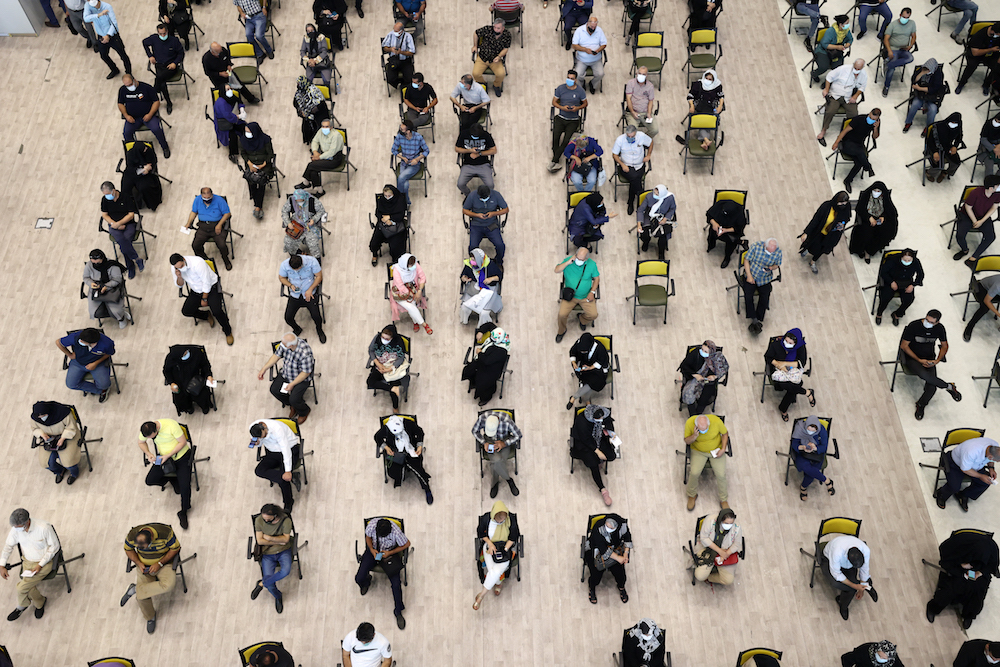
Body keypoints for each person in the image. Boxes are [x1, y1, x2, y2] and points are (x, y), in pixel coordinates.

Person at [926, 529, 1000, 628]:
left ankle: (969, 614)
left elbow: (990, 567)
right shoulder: (960, 544)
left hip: (978, 570)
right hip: (956, 566)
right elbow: (946, 561)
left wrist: (979, 573)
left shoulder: (991, 549)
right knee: (953, 587)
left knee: (979, 591)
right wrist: (962, 570)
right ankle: (934, 608)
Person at [901, 309, 962, 420]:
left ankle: (921, 404)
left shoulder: (940, 329)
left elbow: (944, 345)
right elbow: (904, 346)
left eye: (931, 322)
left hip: (929, 358)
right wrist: (919, 360)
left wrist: (937, 360)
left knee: (932, 388)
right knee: (924, 375)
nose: (927, 323)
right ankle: (948, 386)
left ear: (937, 322)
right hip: (913, 358)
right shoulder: (914, 326)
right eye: (927, 320)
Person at [0, 509, 59, 622]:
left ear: (26, 522)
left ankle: (22, 605)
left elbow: (54, 547)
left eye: (18, 526)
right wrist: (1, 565)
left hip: (44, 562)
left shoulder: (44, 528)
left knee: (21, 587)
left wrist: (40, 565)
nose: (16, 529)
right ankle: (40, 603)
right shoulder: (16, 529)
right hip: (27, 561)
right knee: (28, 586)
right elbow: (8, 546)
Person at [120, 523, 180, 633]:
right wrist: (138, 562)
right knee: (142, 597)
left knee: (168, 585)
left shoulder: (165, 533)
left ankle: (135, 589)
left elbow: (176, 548)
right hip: (143, 565)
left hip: (163, 564)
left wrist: (160, 563)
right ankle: (150, 617)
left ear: (151, 538)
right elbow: (128, 549)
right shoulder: (132, 535)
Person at [355, 518, 411, 630]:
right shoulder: (371, 526)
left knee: (396, 585)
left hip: (390, 554)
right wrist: (371, 549)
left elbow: (407, 544)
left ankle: (398, 611)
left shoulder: (396, 532)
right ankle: (366, 581)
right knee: (358, 578)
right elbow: (368, 537)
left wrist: (390, 552)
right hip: (374, 551)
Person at [137, 419, 193, 529]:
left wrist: (168, 455)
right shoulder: (147, 430)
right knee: (150, 480)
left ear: (156, 429)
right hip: (164, 458)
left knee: (185, 487)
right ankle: (172, 479)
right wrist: (149, 453)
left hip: (181, 456)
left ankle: (183, 511)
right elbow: (140, 442)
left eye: (152, 437)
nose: (151, 439)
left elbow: (183, 442)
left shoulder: (171, 425)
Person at [170, 253, 234, 345]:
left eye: (181, 266)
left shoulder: (198, 263)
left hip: (211, 287)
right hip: (196, 290)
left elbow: (206, 282)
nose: (180, 268)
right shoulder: (175, 268)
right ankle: (206, 315)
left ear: (184, 259)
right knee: (186, 311)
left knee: (217, 311)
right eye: (178, 268)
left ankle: (228, 331)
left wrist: (204, 299)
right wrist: (179, 277)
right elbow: (180, 284)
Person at [257, 333, 315, 425]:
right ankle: (292, 405)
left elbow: (305, 373)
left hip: (301, 379)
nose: (281, 345)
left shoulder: (305, 353)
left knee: (294, 398)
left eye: (283, 344)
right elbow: (276, 356)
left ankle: (304, 411)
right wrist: (264, 368)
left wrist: (292, 384)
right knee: (274, 390)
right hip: (286, 373)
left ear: (291, 345)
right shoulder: (285, 345)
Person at [375, 416, 433, 504]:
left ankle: (427, 488)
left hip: (410, 450)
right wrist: (386, 447)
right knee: (393, 470)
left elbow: (420, 432)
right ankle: (399, 477)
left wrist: (419, 445)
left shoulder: (408, 423)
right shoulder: (386, 428)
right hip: (394, 452)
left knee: (419, 471)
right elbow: (377, 437)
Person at [473, 501, 519, 610]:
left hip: (504, 548)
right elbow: (481, 534)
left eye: (502, 521)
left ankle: (482, 595)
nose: (501, 523)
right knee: (496, 572)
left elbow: (513, 538)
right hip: (490, 546)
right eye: (498, 521)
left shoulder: (511, 520)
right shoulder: (486, 519)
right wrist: (490, 544)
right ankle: (498, 583)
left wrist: (505, 549)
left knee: (494, 571)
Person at [249, 421, 302, 513]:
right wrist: (258, 443)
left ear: (264, 427)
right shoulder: (253, 428)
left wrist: (288, 471)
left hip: (290, 449)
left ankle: (288, 502)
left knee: (283, 479)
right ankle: (288, 477)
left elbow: (286, 451)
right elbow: (257, 443)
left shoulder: (278, 430)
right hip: (273, 452)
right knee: (259, 470)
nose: (264, 437)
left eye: (264, 435)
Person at [934, 437, 999, 511]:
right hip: (956, 464)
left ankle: (963, 495)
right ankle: (941, 494)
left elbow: (990, 459)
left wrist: (991, 468)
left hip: (974, 465)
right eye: (997, 460)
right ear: (990, 456)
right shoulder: (972, 451)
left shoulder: (995, 446)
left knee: (985, 483)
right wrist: (980, 476)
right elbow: (965, 469)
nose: (997, 461)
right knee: (954, 487)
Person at [570, 405, 618, 506]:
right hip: (586, 445)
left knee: (611, 455)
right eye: (599, 419)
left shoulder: (603, 414)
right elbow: (585, 439)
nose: (601, 420)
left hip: (600, 439)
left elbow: (608, 422)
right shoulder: (581, 422)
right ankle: (602, 489)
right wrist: (597, 451)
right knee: (593, 464)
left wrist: (611, 434)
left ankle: (600, 460)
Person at [250, 504, 293, 613]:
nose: (265, 521)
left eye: (268, 520)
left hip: (284, 550)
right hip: (267, 553)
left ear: (275, 516)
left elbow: (286, 540)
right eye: (264, 519)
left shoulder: (285, 521)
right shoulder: (259, 520)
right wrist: (279, 540)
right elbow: (259, 541)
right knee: (270, 584)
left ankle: (261, 583)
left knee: (286, 571)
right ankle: (278, 596)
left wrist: (268, 537)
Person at [823, 534, 877, 620]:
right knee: (850, 588)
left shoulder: (865, 550)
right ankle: (843, 605)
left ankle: (866, 586)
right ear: (848, 558)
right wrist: (855, 586)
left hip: (847, 565)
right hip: (829, 561)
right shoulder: (837, 553)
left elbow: (864, 569)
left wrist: (861, 589)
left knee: (864, 579)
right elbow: (836, 574)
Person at [765, 328, 815, 421]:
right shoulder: (776, 344)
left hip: (792, 370)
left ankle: (783, 409)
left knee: (793, 387)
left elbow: (801, 363)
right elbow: (768, 357)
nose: (786, 343)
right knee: (793, 386)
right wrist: (779, 365)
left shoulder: (800, 347)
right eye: (786, 341)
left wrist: (785, 363)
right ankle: (807, 393)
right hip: (778, 370)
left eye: (790, 343)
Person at [683, 413, 729, 511]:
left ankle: (723, 499)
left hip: (716, 450)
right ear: (696, 426)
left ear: (708, 424)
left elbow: (725, 434)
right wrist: (694, 436)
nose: (704, 431)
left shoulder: (716, 421)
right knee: (694, 473)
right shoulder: (689, 422)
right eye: (701, 429)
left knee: (721, 475)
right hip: (698, 451)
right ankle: (692, 495)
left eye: (705, 428)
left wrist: (723, 448)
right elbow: (687, 441)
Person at [118, 74, 170, 158]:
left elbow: (156, 102)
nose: (129, 87)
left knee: (156, 129)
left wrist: (150, 114)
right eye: (126, 85)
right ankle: (134, 152)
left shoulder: (147, 88)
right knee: (126, 133)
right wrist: (126, 115)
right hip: (133, 118)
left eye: (130, 84)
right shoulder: (122, 90)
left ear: (134, 80)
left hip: (148, 116)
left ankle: (165, 147)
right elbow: (120, 104)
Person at [472, 410, 522, 498]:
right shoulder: (482, 418)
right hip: (489, 441)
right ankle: (509, 480)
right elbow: (474, 431)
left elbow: (518, 435)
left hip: (504, 442)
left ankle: (495, 482)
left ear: (498, 423)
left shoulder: (507, 421)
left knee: (496, 463)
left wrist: (505, 443)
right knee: (497, 461)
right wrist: (484, 442)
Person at [816, 60, 867, 145]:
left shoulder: (863, 74)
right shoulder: (843, 69)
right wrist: (826, 89)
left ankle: (847, 132)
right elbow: (829, 77)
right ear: (853, 64)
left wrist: (855, 96)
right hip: (835, 95)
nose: (856, 70)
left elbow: (862, 87)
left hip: (848, 97)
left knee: (854, 114)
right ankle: (824, 129)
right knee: (830, 111)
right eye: (855, 68)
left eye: (859, 69)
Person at [56, 328, 115, 402]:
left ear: (93, 343)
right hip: (78, 363)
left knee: (104, 385)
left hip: (98, 364)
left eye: (83, 342)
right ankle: (100, 391)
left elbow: (109, 353)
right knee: (71, 384)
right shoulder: (75, 337)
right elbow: (58, 342)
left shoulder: (107, 343)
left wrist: (95, 363)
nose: (81, 342)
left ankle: (103, 388)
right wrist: (69, 354)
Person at [798, 191, 851, 274]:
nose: (843, 205)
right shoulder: (826, 206)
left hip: (831, 236)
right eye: (841, 203)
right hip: (819, 233)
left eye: (845, 203)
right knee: (813, 245)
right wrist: (806, 232)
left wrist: (841, 225)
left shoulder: (846, 209)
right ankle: (807, 249)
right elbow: (815, 220)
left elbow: (846, 219)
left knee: (822, 250)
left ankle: (813, 262)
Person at [953, 175, 1000, 267]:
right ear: (991, 188)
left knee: (991, 237)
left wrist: (982, 221)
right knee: (960, 235)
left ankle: (973, 258)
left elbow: (994, 206)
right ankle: (964, 250)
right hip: (967, 215)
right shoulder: (976, 193)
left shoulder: (997, 194)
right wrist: (975, 221)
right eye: (998, 185)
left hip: (983, 215)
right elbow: (968, 207)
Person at [831, 107, 881, 194]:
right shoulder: (859, 119)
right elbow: (845, 131)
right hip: (848, 143)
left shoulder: (876, 123)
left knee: (859, 162)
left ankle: (848, 181)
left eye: (874, 119)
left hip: (859, 145)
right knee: (861, 154)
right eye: (871, 118)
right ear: (869, 113)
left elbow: (875, 137)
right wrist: (836, 143)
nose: (871, 120)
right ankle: (868, 167)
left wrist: (875, 128)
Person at [99, 181, 143, 279]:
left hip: (128, 224)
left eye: (107, 194)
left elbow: (131, 214)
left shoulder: (125, 197)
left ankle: (130, 266)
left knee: (124, 243)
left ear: (113, 190)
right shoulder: (105, 200)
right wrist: (113, 224)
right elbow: (104, 214)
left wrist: (120, 223)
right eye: (105, 195)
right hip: (114, 226)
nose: (106, 196)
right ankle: (137, 259)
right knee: (123, 242)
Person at [555, 247, 600, 342]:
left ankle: (582, 319)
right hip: (570, 296)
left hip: (585, 296)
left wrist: (592, 292)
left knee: (593, 315)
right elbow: (556, 270)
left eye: (581, 259)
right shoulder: (569, 261)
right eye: (577, 257)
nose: (578, 260)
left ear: (586, 259)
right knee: (561, 314)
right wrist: (567, 263)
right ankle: (561, 331)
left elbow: (596, 279)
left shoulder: (591, 265)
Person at [30, 401, 81, 485]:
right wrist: (42, 434)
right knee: (45, 462)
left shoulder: (63, 414)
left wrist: (62, 438)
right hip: (49, 438)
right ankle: (59, 471)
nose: (41, 418)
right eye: (40, 416)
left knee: (68, 461)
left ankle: (74, 473)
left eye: (43, 415)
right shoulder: (35, 418)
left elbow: (71, 428)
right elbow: (34, 428)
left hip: (67, 436)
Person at [584, 513, 631, 603]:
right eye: (607, 526)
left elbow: (627, 538)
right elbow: (603, 550)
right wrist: (618, 558)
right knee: (595, 576)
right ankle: (592, 588)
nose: (607, 529)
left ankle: (621, 587)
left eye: (611, 528)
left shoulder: (622, 527)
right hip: (596, 553)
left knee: (621, 576)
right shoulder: (598, 528)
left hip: (614, 550)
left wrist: (626, 553)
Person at [183, 187, 232, 271]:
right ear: (201, 195)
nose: (207, 199)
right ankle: (205, 260)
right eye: (204, 197)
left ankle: (226, 259)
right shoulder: (197, 200)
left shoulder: (219, 200)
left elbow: (227, 213)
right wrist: (188, 223)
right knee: (195, 245)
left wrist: (220, 224)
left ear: (212, 194)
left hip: (217, 225)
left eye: (208, 197)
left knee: (222, 245)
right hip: (203, 226)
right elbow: (194, 211)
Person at [280, 254, 326, 344]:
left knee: (316, 316)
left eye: (297, 269)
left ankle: (319, 330)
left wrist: (310, 289)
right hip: (295, 294)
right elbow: (281, 278)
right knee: (288, 317)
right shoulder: (284, 265)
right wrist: (290, 285)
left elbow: (319, 276)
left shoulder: (312, 261)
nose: (295, 271)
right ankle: (297, 329)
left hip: (310, 293)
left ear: (301, 265)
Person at [549, 69, 588, 172]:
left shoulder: (580, 91)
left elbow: (585, 104)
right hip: (561, 117)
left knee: (566, 140)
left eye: (572, 79)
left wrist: (577, 108)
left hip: (573, 120)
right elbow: (554, 102)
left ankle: (553, 161)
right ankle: (555, 161)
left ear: (576, 80)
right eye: (568, 78)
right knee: (555, 137)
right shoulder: (560, 88)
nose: (569, 80)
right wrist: (562, 108)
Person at [849, 182, 898, 262]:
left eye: (878, 191)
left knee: (885, 232)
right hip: (867, 218)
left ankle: (869, 252)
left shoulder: (885, 198)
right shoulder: (866, 195)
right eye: (874, 190)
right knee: (865, 233)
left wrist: (883, 217)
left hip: (879, 219)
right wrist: (869, 218)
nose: (876, 192)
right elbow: (860, 209)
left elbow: (892, 212)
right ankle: (859, 250)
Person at [296, 119, 345, 198]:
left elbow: (331, 152)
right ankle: (320, 190)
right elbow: (315, 141)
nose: (324, 128)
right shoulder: (320, 131)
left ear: (331, 127)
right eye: (323, 126)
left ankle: (306, 183)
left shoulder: (336, 136)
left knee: (311, 165)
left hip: (334, 159)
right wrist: (315, 152)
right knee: (313, 169)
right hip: (323, 155)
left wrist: (319, 157)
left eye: (327, 126)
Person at [142, 24, 184, 116]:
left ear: (167, 31)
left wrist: (175, 63)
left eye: (164, 33)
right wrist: (150, 56)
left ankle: (153, 91)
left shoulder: (174, 41)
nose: (163, 35)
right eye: (161, 34)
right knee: (162, 83)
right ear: (158, 32)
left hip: (171, 67)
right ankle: (168, 102)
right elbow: (144, 42)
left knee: (159, 78)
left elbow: (181, 53)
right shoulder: (154, 39)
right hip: (159, 65)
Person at [742, 238, 782, 334]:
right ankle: (754, 319)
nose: (770, 253)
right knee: (748, 296)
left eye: (772, 252)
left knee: (765, 296)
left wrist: (771, 268)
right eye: (769, 251)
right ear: (765, 245)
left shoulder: (778, 252)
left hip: (765, 278)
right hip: (751, 275)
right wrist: (749, 276)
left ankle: (759, 317)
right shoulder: (756, 247)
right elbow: (746, 260)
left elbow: (777, 265)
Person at [461, 324, 509, 405]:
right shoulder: (496, 334)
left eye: (493, 338)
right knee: (469, 370)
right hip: (482, 360)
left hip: (491, 369)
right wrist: (481, 331)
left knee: (483, 384)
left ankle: (485, 398)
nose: (491, 338)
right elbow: (489, 325)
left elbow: (487, 361)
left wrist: (479, 353)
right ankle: (473, 382)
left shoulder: (501, 351)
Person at [791, 415, 835, 501]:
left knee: (811, 471)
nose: (810, 433)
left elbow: (824, 447)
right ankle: (827, 481)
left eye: (813, 431)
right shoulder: (799, 428)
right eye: (808, 430)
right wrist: (802, 447)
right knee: (806, 467)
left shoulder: (821, 431)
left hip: (816, 454)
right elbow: (794, 443)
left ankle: (803, 487)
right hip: (802, 453)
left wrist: (815, 448)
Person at [679, 340, 728, 417]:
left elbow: (724, 369)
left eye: (705, 351)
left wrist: (714, 377)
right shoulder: (696, 354)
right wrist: (695, 375)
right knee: (689, 392)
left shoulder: (717, 358)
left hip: (708, 382)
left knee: (705, 396)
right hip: (695, 379)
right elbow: (684, 366)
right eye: (702, 349)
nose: (702, 352)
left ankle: (698, 414)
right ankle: (694, 417)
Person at [875, 249, 923, 326]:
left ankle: (897, 314)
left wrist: (913, 285)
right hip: (891, 281)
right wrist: (891, 282)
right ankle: (879, 313)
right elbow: (883, 272)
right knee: (885, 297)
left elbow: (920, 274)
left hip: (906, 283)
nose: (907, 262)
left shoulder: (916, 262)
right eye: (904, 260)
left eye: (909, 260)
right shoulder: (893, 260)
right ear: (901, 258)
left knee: (909, 299)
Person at [85, 0, 132, 79]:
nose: (94, 7)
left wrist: (108, 35)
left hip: (113, 36)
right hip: (101, 36)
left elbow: (114, 23)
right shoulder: (88, 5)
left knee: (123, 55)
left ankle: (129, 73)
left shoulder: (107, 6)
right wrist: (98, 15)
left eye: (96, 4)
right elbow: (86, 19)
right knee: (103, 55)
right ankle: (114, 69)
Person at [367, 325, 409, 412]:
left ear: (392, 338)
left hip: (392, 365)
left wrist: (389, 369)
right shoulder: (377, 338)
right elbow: (371, 350)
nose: (383, 340)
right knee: (370, 381)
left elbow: (401, 358)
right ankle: (392, 388)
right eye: (382, 337)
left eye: (386, 339)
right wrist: (378, 364)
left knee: (393, 384)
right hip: (380, 364)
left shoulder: (398, 342)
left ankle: (395, 407)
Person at [693, 508, 741, 585]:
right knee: (699, 576)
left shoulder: (736, 528)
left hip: (725, 552)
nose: (729, 526)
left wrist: (726, 554)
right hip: (708, 549)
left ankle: (710, 578)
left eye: (731, 523)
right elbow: (704, 538)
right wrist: (719, 551)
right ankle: (709, 570)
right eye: (726, 523)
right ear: (720, 520)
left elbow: (737, 543)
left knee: (728, 580)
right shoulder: (710, 521)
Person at [612, 125, 653, 215]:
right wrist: (622, 164)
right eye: (628, 136)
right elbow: (614, 155)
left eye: (632, 136)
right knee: (635, 178)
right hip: (626, 167)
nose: (630, 138)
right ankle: (641, 200)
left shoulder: (641, 136)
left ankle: (631, 202)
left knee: (635, 180)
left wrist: (648, 155)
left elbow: (651, 142)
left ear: (636, 133)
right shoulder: (620, 140)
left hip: (639, 165)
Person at [162, 345, 214, 416]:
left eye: (186, 352)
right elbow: (167, 371)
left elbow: (205, 365)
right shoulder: (171, 359)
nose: (186, 355)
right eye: (184, 355)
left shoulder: (196, 353)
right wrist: (171, 383)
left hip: (196, 381)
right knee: (180, 399)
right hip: (180, 383)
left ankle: (204, 406)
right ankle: (188, 408)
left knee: (202, 396)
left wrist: (208, 375)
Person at [84, 248, 129, 329]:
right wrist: (91, 283)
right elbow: (86, 277)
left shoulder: (113, 266)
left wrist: (107, 286)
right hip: (96, 289)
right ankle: (114, 314)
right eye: (93, 262)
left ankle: (122, 318)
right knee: (95, 312)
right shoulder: (89, 265)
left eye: (98, 262)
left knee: (115, 310)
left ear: (102, 258)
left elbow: (117, 279)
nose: (96, 264)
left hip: (112, 288)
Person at [463, 184, 508, 263]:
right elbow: (465, 210)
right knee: (472, 247)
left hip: (492, 224)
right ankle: (475, 263)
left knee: (500, 245)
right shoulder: (472, 196)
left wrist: (493, 213)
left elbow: (506, 209)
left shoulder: (496, 195)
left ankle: (498, 262)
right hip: (476, 225)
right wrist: (477, 215)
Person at [389, 253, 432, 334]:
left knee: (411, 306)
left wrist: (419, 291)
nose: (414, 266)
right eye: (411, 265)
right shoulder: (396, 270)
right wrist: (414, 295)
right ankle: (423, 324)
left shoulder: (415, 265)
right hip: (400, 293)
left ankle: (417, 322)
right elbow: (400, 286)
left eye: (414, 264)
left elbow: (422, 277)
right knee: (411, 306)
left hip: (413, 289)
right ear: (405, 265)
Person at [239, 122, 275, 220]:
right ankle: (257, 204)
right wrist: (250, 164)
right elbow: (243, 153)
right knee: (251, 180)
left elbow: (270, 154)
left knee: (261, 182)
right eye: (246, 131)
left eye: (249, 131)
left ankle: (258, 206)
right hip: (251, 164)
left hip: (264, 165)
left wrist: (263, 164)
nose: (247, 133)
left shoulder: (265, 139)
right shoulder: (243, 140)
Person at [459, 250, 503, 329]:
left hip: (488, 289)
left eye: (474, 259)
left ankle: (482, 328)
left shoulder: (490, 265)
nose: (471, 261)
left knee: (484, 313)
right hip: (474, 287)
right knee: (464, 307)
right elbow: (463, 275)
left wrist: (491, 279)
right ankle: (464, 320)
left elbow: (499, 276)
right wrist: (464, 278)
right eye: (471, 259)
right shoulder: (469, 265)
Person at [567, 332, 609, 410]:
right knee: (587, 382)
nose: (582, 353)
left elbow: (601, 362)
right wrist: (574, 363)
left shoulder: (599, 348)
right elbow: (573, 352)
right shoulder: (579, 343)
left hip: (597, 370)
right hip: (584, 366)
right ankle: (586, 400)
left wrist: (590, 367)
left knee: (591, 383)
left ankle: (574, 398)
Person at [391, 120, 429, 206]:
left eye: (402, 129)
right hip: (404, 163)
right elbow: (393, 150)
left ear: (408, 131)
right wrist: (402, 157)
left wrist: (417, 159)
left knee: (401, 178)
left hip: (414, 164)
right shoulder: (399, 137)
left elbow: (427, 151)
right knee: (405, 185)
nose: (400, 130)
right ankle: (406, 202)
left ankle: (399, 201)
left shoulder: (418, 137)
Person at [955, 22, 999, 96]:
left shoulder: (997, 36)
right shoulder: (980, 35)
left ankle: (987, 84)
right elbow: (975, 53)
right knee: (971, 65)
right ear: (992, 31)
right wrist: (991, 49)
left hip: (991, 54)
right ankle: (962, 83)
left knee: (997, 66)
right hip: (976, 54)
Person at [879, 8, 916, 96]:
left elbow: (914, 36)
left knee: (910, 58)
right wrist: (889, 51)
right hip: (893, 49)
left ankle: (889, 63)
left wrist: (910, 45)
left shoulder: (912, 23)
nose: (905, 19)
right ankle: (886, 86)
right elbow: (886, 39)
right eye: (903, 17)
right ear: (900, 15)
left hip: (903, 49)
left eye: (907, 17)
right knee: (892, 69)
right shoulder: (893, 25)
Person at [902, 59, 945, 133]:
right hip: (920, 95)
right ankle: (908, 122)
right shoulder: (921, 69)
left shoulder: (938, 74)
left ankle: (928, 127)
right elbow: (914, 81)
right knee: (914, 105)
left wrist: (919, 88)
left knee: (933, 110)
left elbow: (933, 89)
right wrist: (921, 73)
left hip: (931, 96)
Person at [282, 188, 326, 258]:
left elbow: (321, 211)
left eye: (301, 201)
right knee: (288, 242)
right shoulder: (291, 200)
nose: (299, 202)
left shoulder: (313, 200)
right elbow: (284, 211)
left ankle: (317, 261)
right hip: (296, 225)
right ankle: (298, 255)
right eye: (297, 201)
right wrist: (288, 223)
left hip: (310, 225)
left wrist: (314, 219)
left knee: (313, 244)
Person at [685, 69, 724, 148]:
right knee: (705, 122)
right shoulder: (698, 85)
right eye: (707, 78)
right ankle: (706, 140)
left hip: (711, 107)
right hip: (699, 106)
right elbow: (690, 96)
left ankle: (705, 141)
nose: (708, 81)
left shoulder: (717, 86)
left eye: (710, 79)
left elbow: (721, 97)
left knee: (706, 121)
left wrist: (720, 106)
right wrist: (692, 105)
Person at [706, 195, 747, 269]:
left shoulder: (739, 214)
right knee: (711, 233)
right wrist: (714, 223)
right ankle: (711, 245)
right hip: (717, 226)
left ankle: (727, 257)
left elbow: (738, 228)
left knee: (731, 241)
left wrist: (725, 230)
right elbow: (709, 215)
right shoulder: (720, 205)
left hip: (730, 231)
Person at [370, 184, 408, 265]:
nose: (387, 198)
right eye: (385, 195)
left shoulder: (400, 200)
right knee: (374, 242)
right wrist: (383, 219)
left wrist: (390, 218)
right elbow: (378, 212)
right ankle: (374, 254)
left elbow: (401, 215)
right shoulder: (381, 200)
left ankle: (396, 261)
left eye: (389, 196)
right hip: (383, 224)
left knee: (396, 245)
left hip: (397, 225)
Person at [472, 19, 511, 96]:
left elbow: (506, 48)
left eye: (498, 28)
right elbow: (475, 33)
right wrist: (475, 46)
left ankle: (496, 85)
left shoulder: (507, 35)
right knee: (475, 74)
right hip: (482, 57)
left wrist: (499, 56)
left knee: (501, 74)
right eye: (495, 27)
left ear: (503, 28)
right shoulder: (487, 29)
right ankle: (483, 84)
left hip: (495, 60)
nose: (495, 29)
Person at [121, 139, 162, 211]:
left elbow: (153, 161)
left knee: (144, 187)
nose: (145, 149)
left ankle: (152, 204)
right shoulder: (130, 154)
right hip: (132, 173)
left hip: (146, 174)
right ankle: (129, 205)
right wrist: (143, 168)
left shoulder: (148, 150)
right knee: (125, 187)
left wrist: (147, 169)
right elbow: (130, 167)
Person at [456, 124, 496, 195]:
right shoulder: (464, 134)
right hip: (468, 165)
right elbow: (457, 149)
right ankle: (469, 195)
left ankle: (483, 196)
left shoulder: (486, 135)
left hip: (483, 165)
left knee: (490, 185)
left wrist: (479, 154)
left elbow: (494, 150)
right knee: (460, 184)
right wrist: (470, 150)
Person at [812, 15, 853, 83]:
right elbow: (824, 44)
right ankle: (814, 74)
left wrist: (848, 44)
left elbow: (850, 39)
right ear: (840, 24)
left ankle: (827, 82)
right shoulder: (830, 31)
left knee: (838, 68)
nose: (848, 25)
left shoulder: (846, 30)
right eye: (846, 23)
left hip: (836, 52)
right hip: (823, 51)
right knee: (824, 66)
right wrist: (837, 47)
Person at [212, 84, 247, 162]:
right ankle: (232, 154)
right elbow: (228, 116)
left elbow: (238, 101)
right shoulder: (221, 103)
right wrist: (239, 116)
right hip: (225, 123)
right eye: (228, 89)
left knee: (245, 128)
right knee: (232, 136)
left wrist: (242, 109)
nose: (230, 90)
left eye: (230, 88)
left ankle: (247, 146)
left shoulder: (231, 97)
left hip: (234, 119)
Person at [924, 113, 963, 184]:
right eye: (952, 122)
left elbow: (959, 137)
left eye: (955, 123)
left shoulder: (958, 127)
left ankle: (945, 172)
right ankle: (929, 173)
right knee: (938, 165)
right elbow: (929, 141)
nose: (953, 124)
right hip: (934, 147)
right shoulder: (938, 127)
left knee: (956, 162)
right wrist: (934, 151)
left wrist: (955, 146)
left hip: (947, 147)